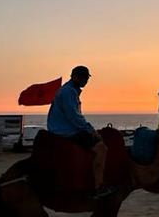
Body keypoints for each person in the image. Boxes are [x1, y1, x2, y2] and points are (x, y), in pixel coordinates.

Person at [47, 66, 116, 199]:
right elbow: (73, 116)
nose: (84, 80)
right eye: (81, 77)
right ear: (74, 76)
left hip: (63, 128)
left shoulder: (69, 90)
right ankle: (99, 187)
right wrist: (90, 129)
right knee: (101, 148)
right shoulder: (69, 92)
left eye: (86, 78)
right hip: (66, 131)